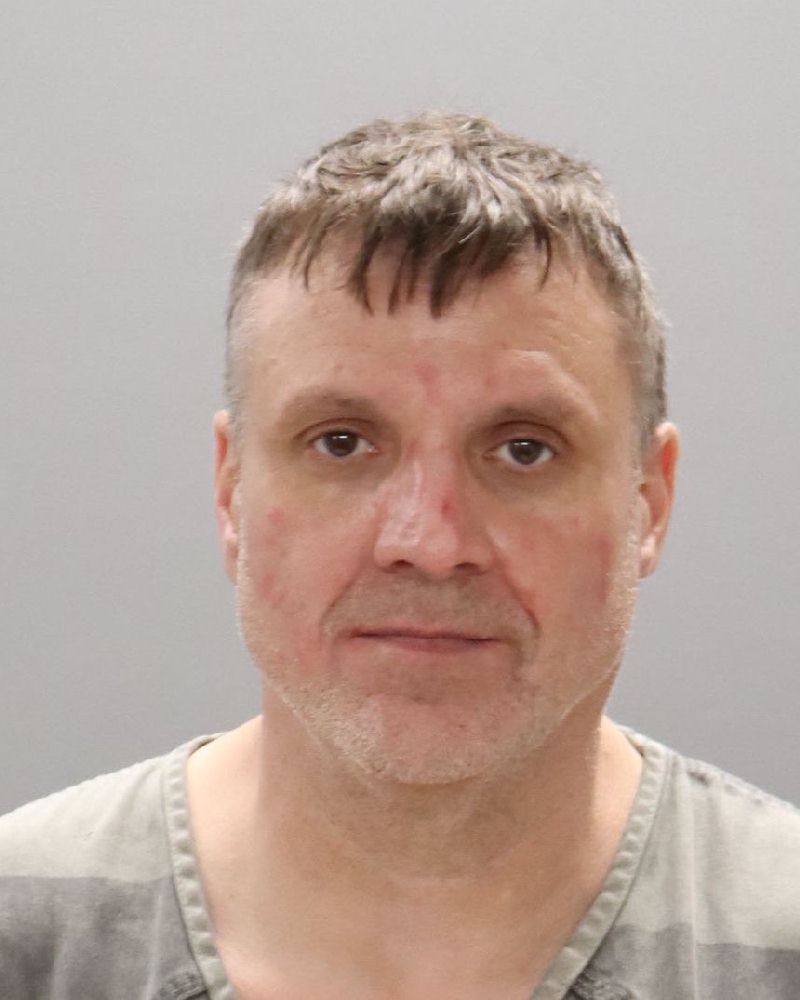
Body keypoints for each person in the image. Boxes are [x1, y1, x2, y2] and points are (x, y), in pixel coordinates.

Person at [1, 112, 798, 1000]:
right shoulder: (24, 935)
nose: (430, 542)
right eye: (341, 442)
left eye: (524, 449)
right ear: (231, 492)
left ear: (650, 500)